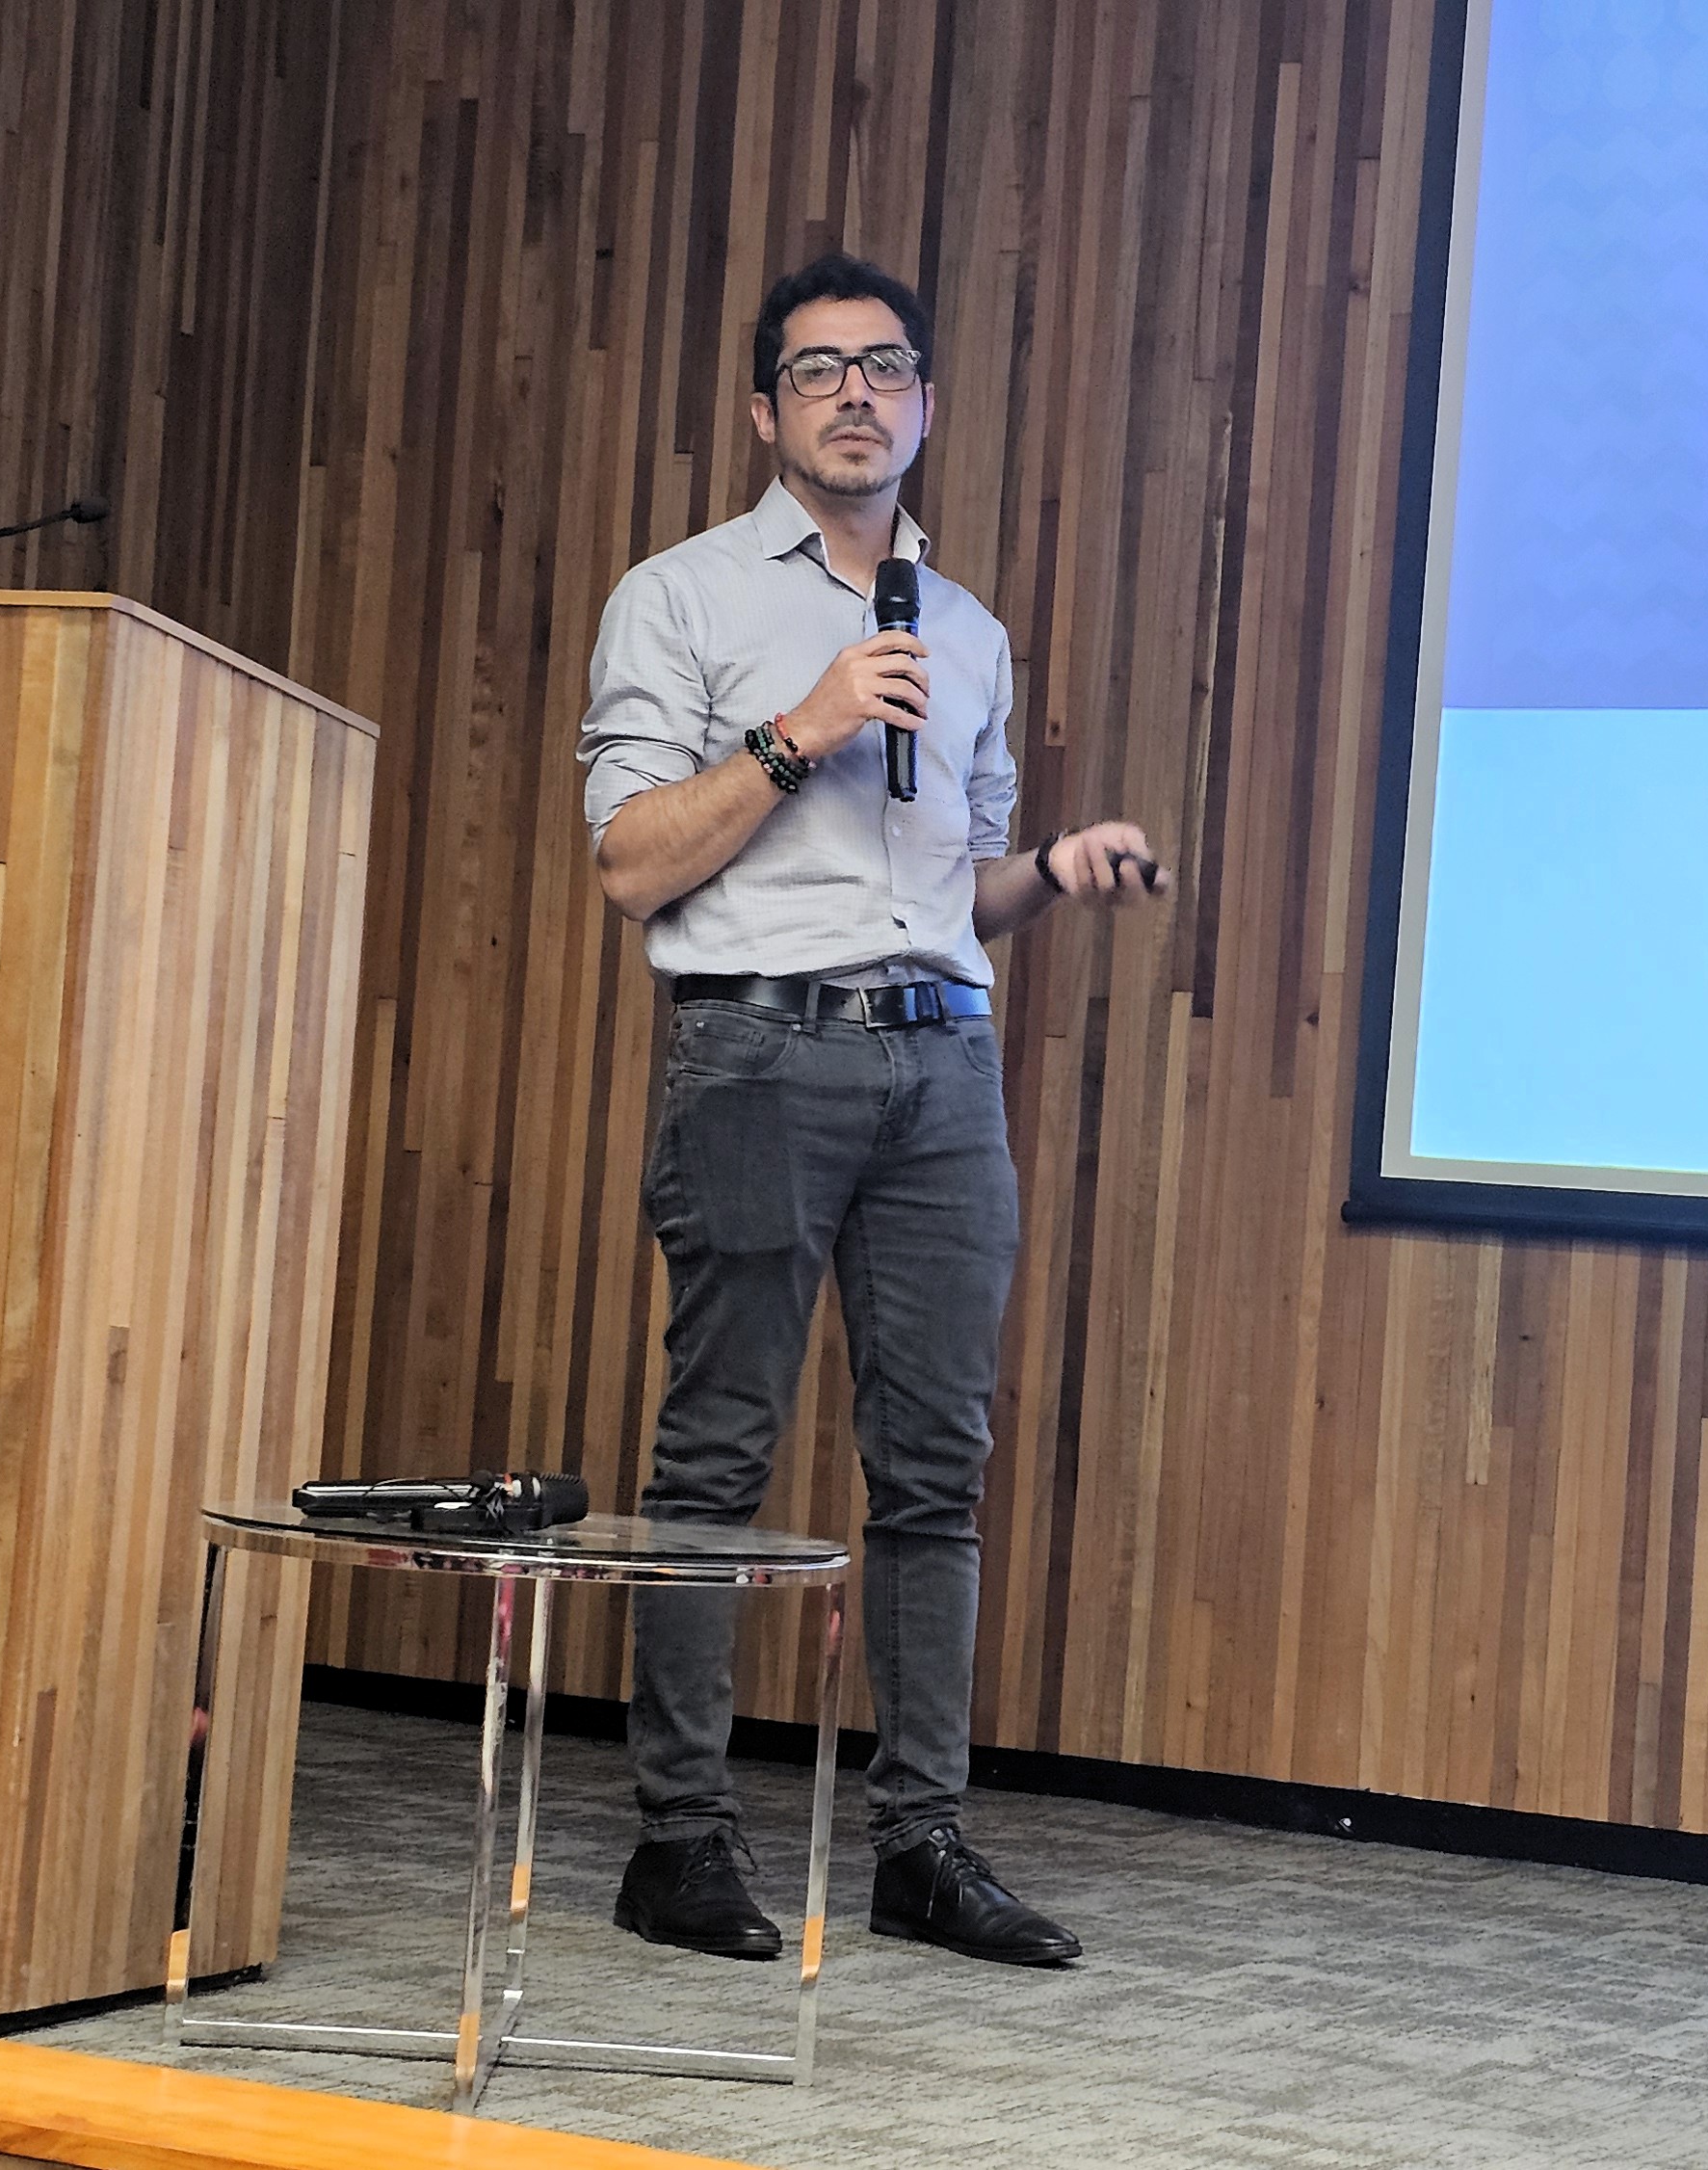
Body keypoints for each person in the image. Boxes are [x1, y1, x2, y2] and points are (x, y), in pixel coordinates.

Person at [577, 251, 1162, 1968]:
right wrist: (801, 729)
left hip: (943, 1067)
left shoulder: (964, 630)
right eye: (820, 370)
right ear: (767, 409)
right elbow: (627, 864)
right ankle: (680, 1840)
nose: (856, 394)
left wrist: (1052, 868)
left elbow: (954, 888)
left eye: (886, 368)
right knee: (718, 1454)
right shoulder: (679, 598)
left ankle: (923, 1842)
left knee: (934, 1468)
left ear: (926, 405)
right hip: (759, 1053)